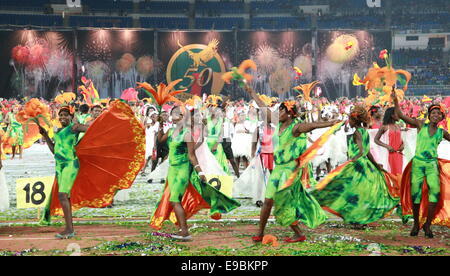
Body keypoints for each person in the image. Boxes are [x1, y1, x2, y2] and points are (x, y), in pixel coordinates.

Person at [245, 86, 337, 243]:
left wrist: (330, 123)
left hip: (290, 171)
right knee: (267, 201)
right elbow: (264, 109)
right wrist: (252, 93)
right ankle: (260, 232)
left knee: (283, 202)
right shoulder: (280, 124)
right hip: (278, 169)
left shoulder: (296, 127)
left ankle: (298, 233)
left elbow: (311, 126)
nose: (277, 114)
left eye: (281, 111)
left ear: (289, 113)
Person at [150, 105, 240, 240]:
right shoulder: (170, 131)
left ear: (182, 117)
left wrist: (200, 172)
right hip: (172, 170)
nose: (173, 116)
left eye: (177, 114)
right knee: (172, 199)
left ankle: (185, 232)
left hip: (183, 170)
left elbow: (192, 155)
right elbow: (160, 141)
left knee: (175, 200)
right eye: (172, 114)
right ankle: (182, 229)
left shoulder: (186, 134)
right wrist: (161, 124)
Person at [312, 105, 400, 229]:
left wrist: (353, 160)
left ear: (355, 120)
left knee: (345, 189)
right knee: (361, 194)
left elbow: (362, 150)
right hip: (366, 165)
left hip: (358, 166)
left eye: (350, 119)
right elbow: (368, 152)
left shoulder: (357, 132)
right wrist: (376, 165)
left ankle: (357, 219)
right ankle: (358, 219)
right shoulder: (365, 131)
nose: (349, 121)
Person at [393, 88, 450, 238]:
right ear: (429, 115)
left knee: (435, 194)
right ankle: (416, 224)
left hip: (432, 165)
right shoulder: (420, 125)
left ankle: (428, 225)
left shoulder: (441, 132)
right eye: (433, 113)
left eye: (439, 114)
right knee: (415, 195)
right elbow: (400, 115)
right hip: (418, 164)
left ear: (442, 117)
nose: (436, 115)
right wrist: (395, 100)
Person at [39, 106, 89, 239]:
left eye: (66, 115)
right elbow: (54, 149)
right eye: (60, 115)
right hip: (59, 165)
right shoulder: (57, 131)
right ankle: (69, 228)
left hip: (71, 164)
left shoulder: (74, 128)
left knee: (62, 195)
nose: (62, 117)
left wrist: (80, 126)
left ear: (71, 117)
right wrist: (45, 136)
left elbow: (91, 130)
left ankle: (69, 229)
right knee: (64, 197)